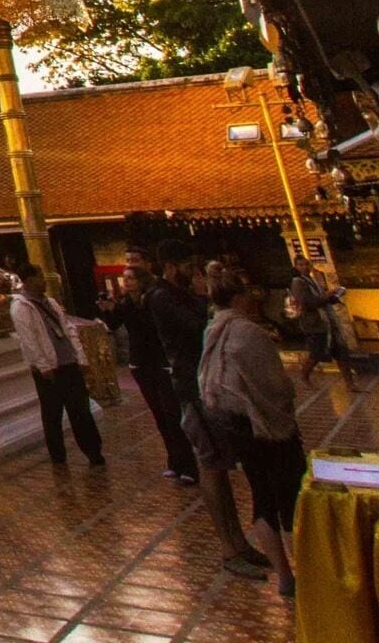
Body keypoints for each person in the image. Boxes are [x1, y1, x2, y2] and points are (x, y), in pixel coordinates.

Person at [148, 238, 268, 577]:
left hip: (205, 384)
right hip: (190, 386)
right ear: (171, 267)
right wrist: (206, 297)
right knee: (211, 466)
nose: (194, 273)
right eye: (188, 268)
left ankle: (239, 541)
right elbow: (196, 327)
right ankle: (230, 548)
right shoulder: (160, 297)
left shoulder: (182, 294)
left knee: (220, 464)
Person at [201, 275, 305, 601]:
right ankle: (303, 568)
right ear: (237, 298)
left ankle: (286, 572)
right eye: (247, 294)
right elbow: (274, 385)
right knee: (289, 497)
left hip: (236, 423)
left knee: (262, 494)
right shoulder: (247, 332)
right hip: (265, 423)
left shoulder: (212, 329)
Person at [103, 245, 197, 483]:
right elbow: (112, 324)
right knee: (160, 416)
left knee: (173, 414)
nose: (126, 281)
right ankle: (175, 461)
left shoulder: (156, 297)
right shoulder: (126, 304)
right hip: (141, 364)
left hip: (161, 362)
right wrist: (108, 309)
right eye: (124, 277)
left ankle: (189, 464)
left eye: (130, 277)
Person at [9, 260, 104, 467]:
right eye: (39, 276)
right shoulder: (21, 307)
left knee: (81, 409)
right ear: (28, 280)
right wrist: (43, 365)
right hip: (49, 368)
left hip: (68, 361)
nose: (44, 280)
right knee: (52, 413)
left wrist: (80, 356)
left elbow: (68, 329)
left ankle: (94, 451)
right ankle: (58, 456)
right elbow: (29, 338)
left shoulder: (49, 302)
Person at [286, 255, 350, 383]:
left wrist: (335, 296)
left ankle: (350, 383)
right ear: (296, 267)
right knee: (316, 354)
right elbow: (308, 302)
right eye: (301, 265)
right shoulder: (298, 282)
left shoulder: (313, 280)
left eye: (306, 264)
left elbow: (323, 299)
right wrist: (327, 295)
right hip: (314, 324)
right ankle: (304, 376)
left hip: (328, 321)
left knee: (340, 352)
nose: (304, 267)